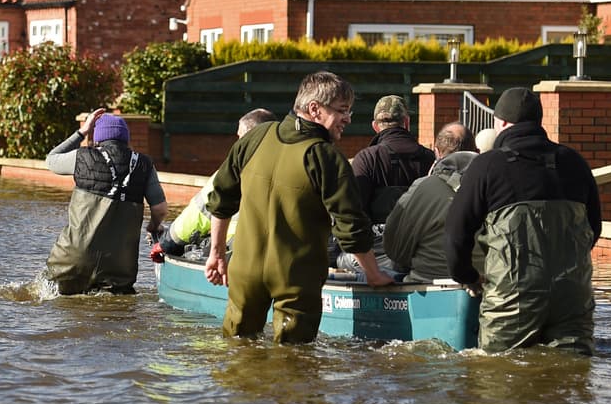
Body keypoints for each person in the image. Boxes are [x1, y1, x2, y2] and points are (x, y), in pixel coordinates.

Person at [204, 71, 393, 342]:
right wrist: (373, 274)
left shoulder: (255, 137)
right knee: (295, 362)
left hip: (244, 271)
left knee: (237, 352)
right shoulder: (326, 156)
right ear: (314, 109)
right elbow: (350, 226)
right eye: (342, 110)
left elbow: (220, 200)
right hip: (296, 279)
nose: (348, 119)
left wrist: (217, 254)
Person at [445, 87, 600, 355]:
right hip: (572, 297)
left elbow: (456, 233)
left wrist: (467, 276)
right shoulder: (574, 162)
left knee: (499, 378)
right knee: (571, 379)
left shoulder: (487, 166)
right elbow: (594, 228)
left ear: (502, 123)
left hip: (511, 299)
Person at [44, 108, 168, 294]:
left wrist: (82, 132)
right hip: (119, 268)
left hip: (71, 260)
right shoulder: (144, 164)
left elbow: (51, 160)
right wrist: (153, 226)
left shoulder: (82, 157)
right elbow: (160, 209)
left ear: (97, 139)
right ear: (126, 139)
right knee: (114, 313)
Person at [151, 108, 276, 263]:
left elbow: (198, 214)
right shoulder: (296, 163)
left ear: (248, 138)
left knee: (197, 250)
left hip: (238, 254)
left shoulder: (234, 169)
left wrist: (166, 244)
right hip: (287, 255)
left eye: (240, 137)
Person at [383, 122, 478, 283]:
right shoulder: (495, 184)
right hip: (482, 283)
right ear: (477, 151)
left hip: (428, 282)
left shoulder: (423, 187)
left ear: (436, 152)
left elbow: (394, 248)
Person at [351, 94, 436, 224]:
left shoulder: (367, 158)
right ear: (406, 122)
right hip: (420, 241)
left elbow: (355, 209)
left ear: (375, 126)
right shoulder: (430, 157)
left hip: (378, 242)